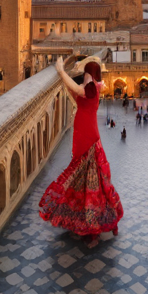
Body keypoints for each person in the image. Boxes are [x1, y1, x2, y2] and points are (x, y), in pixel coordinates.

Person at [39, 56, 123, 240]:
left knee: (91, 181)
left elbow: (77, 89)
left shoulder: (91, 88)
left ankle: (94, 228)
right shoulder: (92, 87)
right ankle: (93, 221)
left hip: (87, 135)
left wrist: (61, 70)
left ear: (90, 74)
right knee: (86, 180)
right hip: (84, 132)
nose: (83, 76)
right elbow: (75, 93)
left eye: (85, 73)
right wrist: (65, 79)